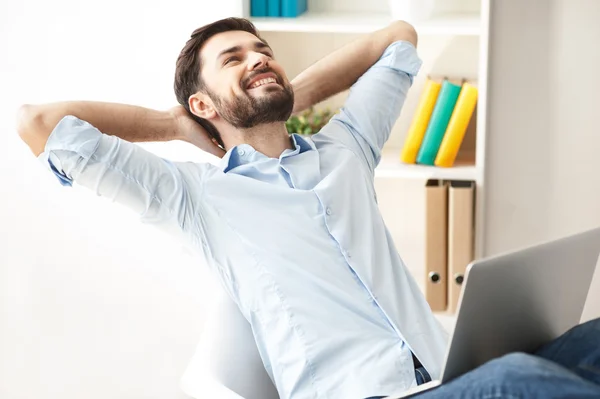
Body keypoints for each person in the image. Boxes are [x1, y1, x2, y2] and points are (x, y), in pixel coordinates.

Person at [16, 17, 600, 399]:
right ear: (202, 102)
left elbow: (398, 37)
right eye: (233, 60)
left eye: (262, 51)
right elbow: (38, 123)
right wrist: (175, 124)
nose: (257, 59)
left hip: (449, 374)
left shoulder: (346, 147)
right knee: (523, 381)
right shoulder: (194, 197)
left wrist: (286, 94)